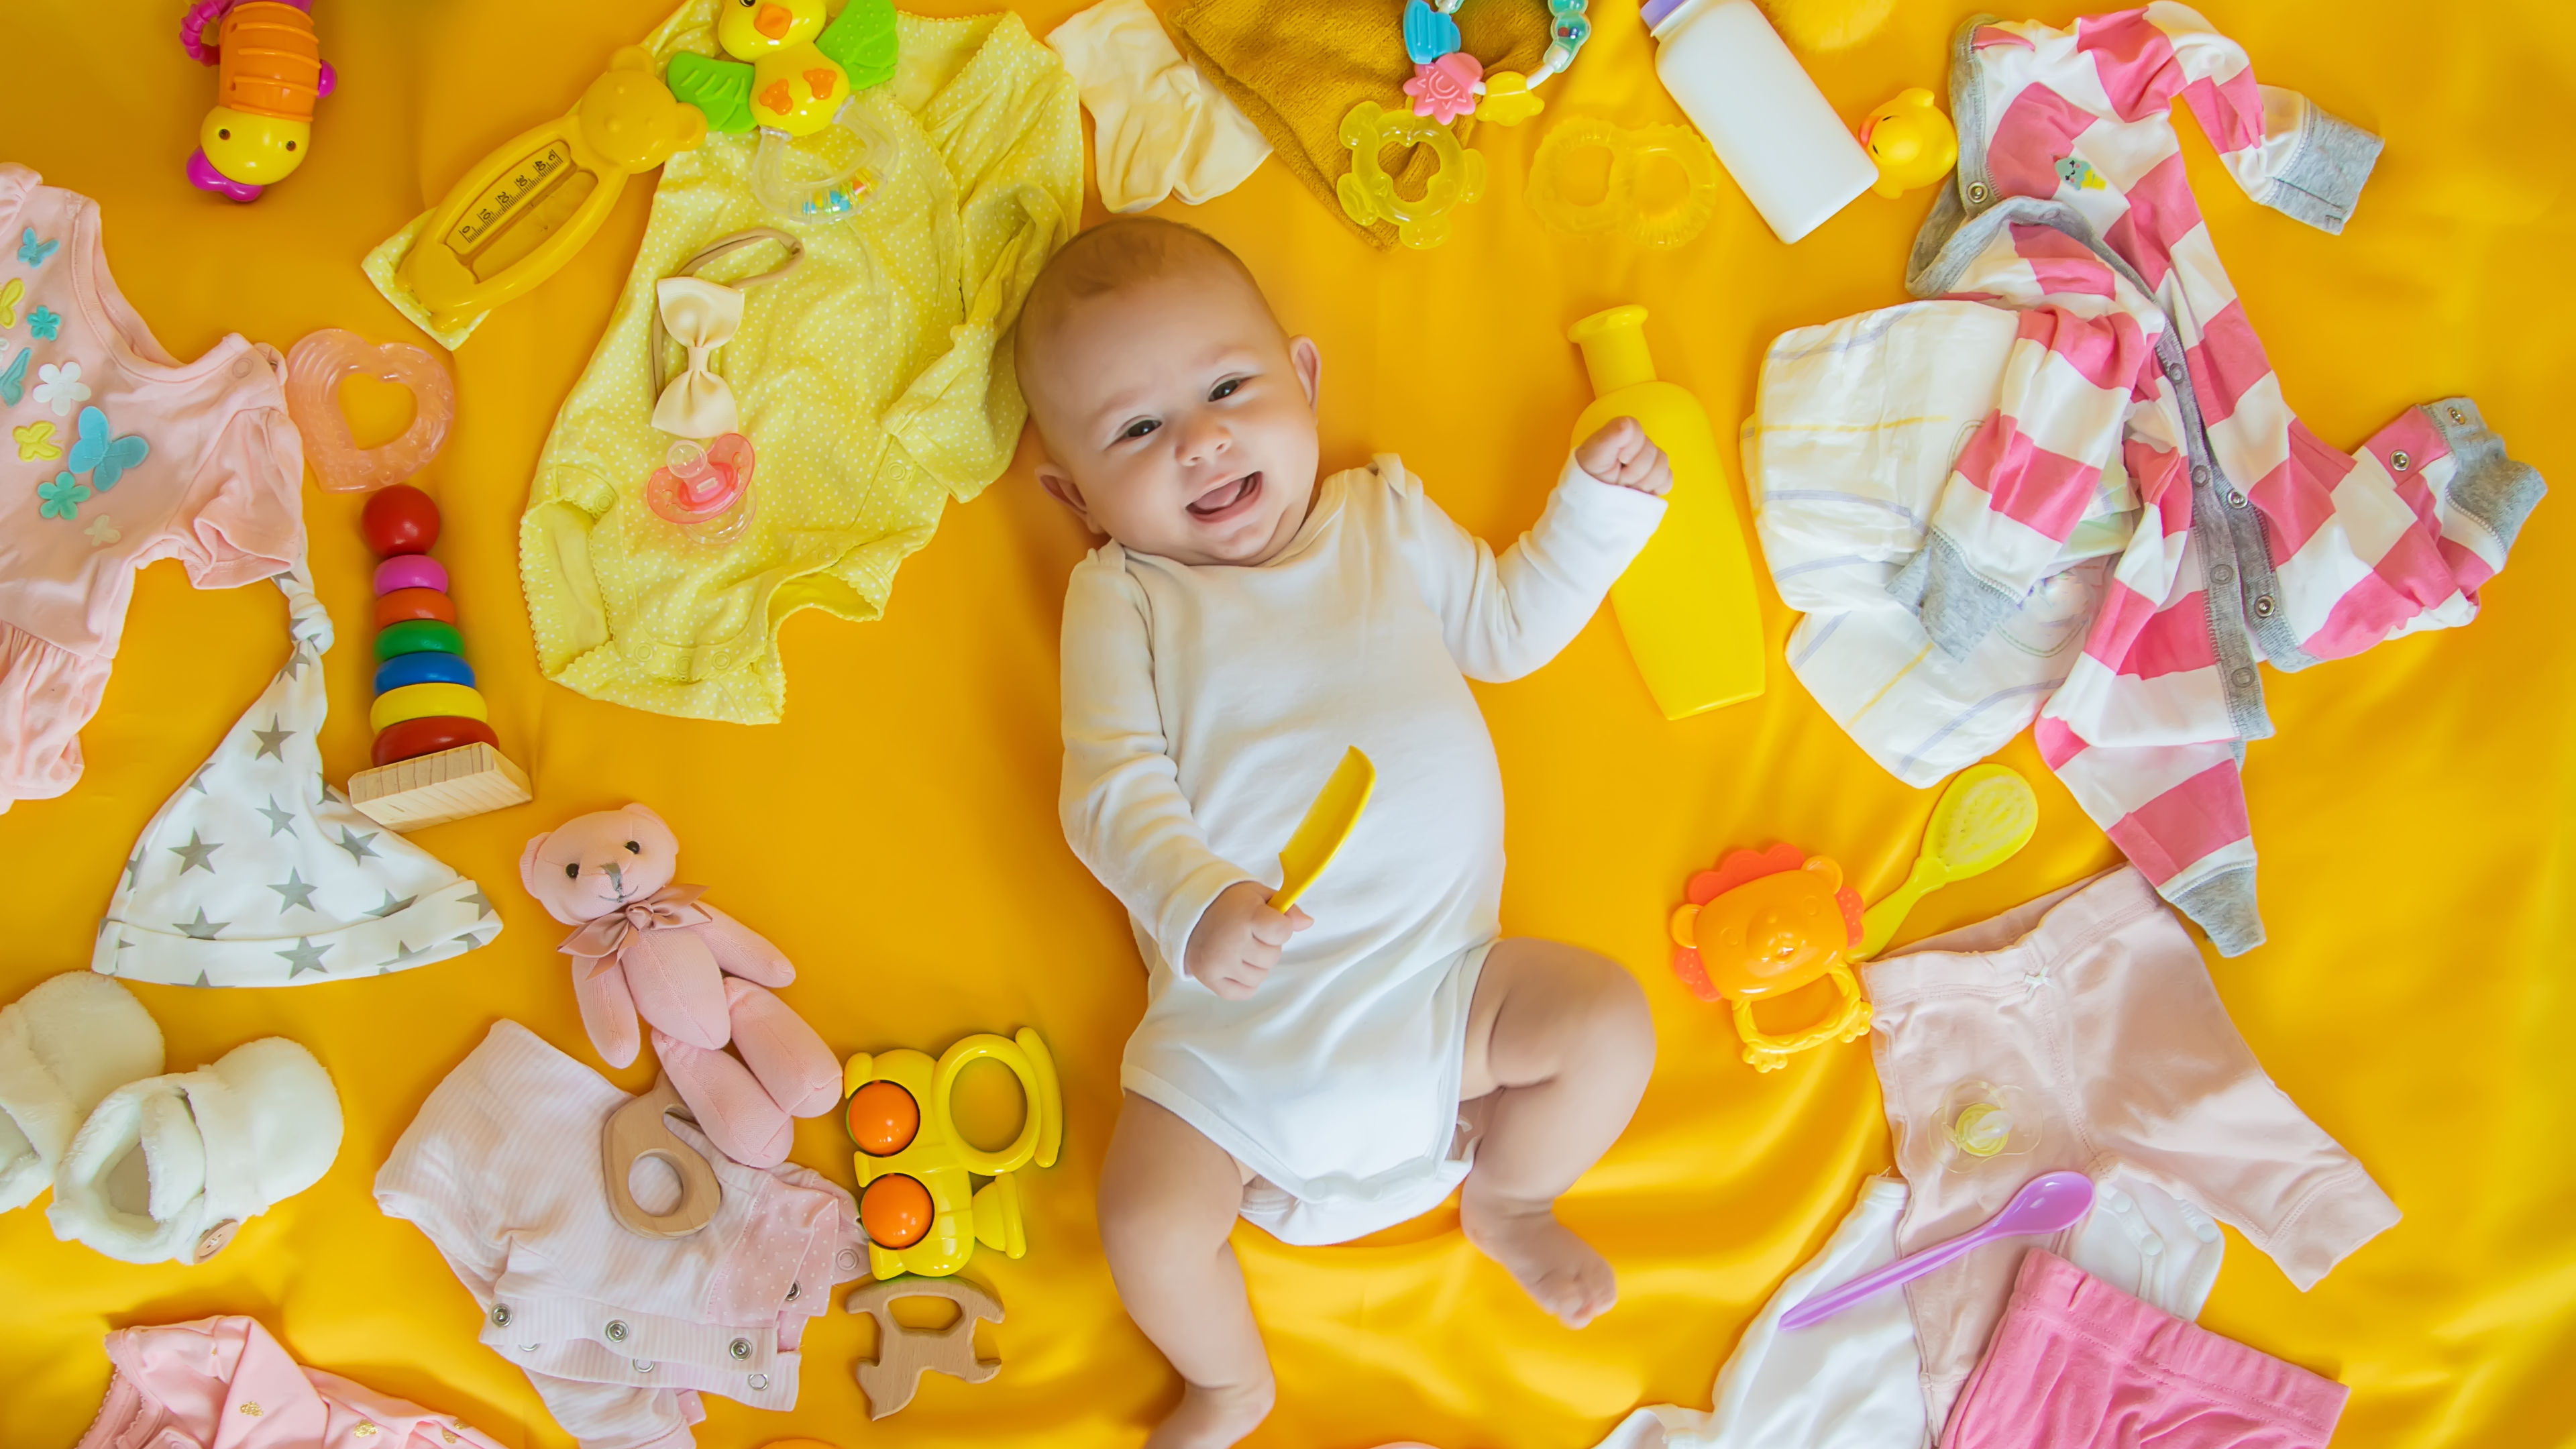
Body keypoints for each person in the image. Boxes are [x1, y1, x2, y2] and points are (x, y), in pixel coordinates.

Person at [1022, 217, 1667, 1448]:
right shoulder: (1124, 596)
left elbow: (1506, 631)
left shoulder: (1381, 516)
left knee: (1605, 1020)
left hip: (1447, 998)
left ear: (1305, 382)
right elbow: (1108, 786)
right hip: (1236, 1038)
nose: (1202, 441)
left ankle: (1512, 1199)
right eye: (1138, 431)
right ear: (1077, 497)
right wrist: (1196, 898)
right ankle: (1230, 1382)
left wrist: (1593, 518)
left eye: (1227, 388)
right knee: (1148, 1224)